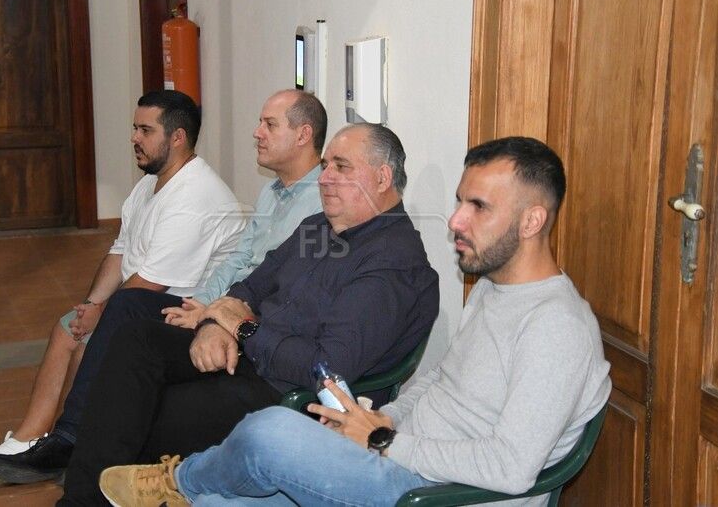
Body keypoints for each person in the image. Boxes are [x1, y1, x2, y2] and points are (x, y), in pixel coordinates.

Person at [98, 136, 613, 507]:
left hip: (432, 493)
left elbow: (510, 468)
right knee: (217, 501)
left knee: (269, 431)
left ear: (532, 220)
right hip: (395, 458)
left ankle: (178, 480)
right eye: (460, 201)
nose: (456, 220)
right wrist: (377, 419)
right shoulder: (494, 291)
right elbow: (440, 381)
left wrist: (385, 441)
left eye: (478, 207)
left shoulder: (556, 328)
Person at [54, 123, 440, 505]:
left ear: (381, 178)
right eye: (325, 166)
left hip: (289, 395)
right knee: (136, 338)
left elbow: (327, 368)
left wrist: (243, 328)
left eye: (341, 167)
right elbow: (251, 287)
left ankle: (97, 493)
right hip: (248, 355)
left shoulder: (392, 263)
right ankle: (84, 496)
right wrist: (213, 325)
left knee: (143, 409)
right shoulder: (318, 229)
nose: (324, 178)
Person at [0, 89, 327, 485]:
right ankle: (62, 438)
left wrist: (213, 314)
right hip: (216, 306)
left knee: (124, 317)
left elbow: (278, 286)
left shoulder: (318, 203)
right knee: (119, 310)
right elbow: (237, 260)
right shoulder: (272, 192)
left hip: (244, 326)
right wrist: (201, 303)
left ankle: (73, 442)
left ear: (303, 135)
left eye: (269, 125)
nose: (256, 132)